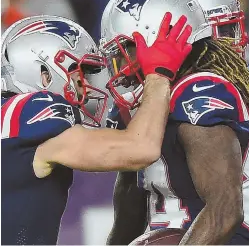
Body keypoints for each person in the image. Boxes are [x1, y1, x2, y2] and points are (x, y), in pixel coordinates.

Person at [106, 0, 249, 245]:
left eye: (229, 30)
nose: (227, 43)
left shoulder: (180, 98)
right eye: (222, 31)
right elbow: (129, 208)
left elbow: (222, 212)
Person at [1, 14, 192, 245]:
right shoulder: (29, 111)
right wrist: (159, 74)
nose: (87, 90)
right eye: (78, 76)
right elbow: (140, 148)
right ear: (45, 74)